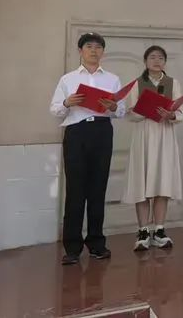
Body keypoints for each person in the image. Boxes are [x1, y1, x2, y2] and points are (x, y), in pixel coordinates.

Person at [50, 32, 126, 265]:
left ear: (103, 52)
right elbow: (55, 109)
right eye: (89, 46)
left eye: (98, 47)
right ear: (80, 51)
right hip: (76, 133)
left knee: (97, 189)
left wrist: (113, 106)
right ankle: (72, 248)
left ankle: (96, 244)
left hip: (102, 132)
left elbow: (121, 110)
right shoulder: (68, 79)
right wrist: (67, 102)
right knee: (75, 190)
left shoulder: (112, 79)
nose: (94, 50)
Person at [122, 45, 183, 251]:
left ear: (165, 62)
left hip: (164, 134)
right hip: (143, 134)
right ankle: (142, 231)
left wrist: (171, 115)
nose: (157, 61)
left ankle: (159, 230)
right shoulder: (136, 84)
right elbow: (129, 113)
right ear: (145, 61)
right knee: (142, 182)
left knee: (162, 181)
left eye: (160, 58)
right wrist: (141, 110)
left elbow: (181, 112)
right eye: (152, 57)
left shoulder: (173, 83)